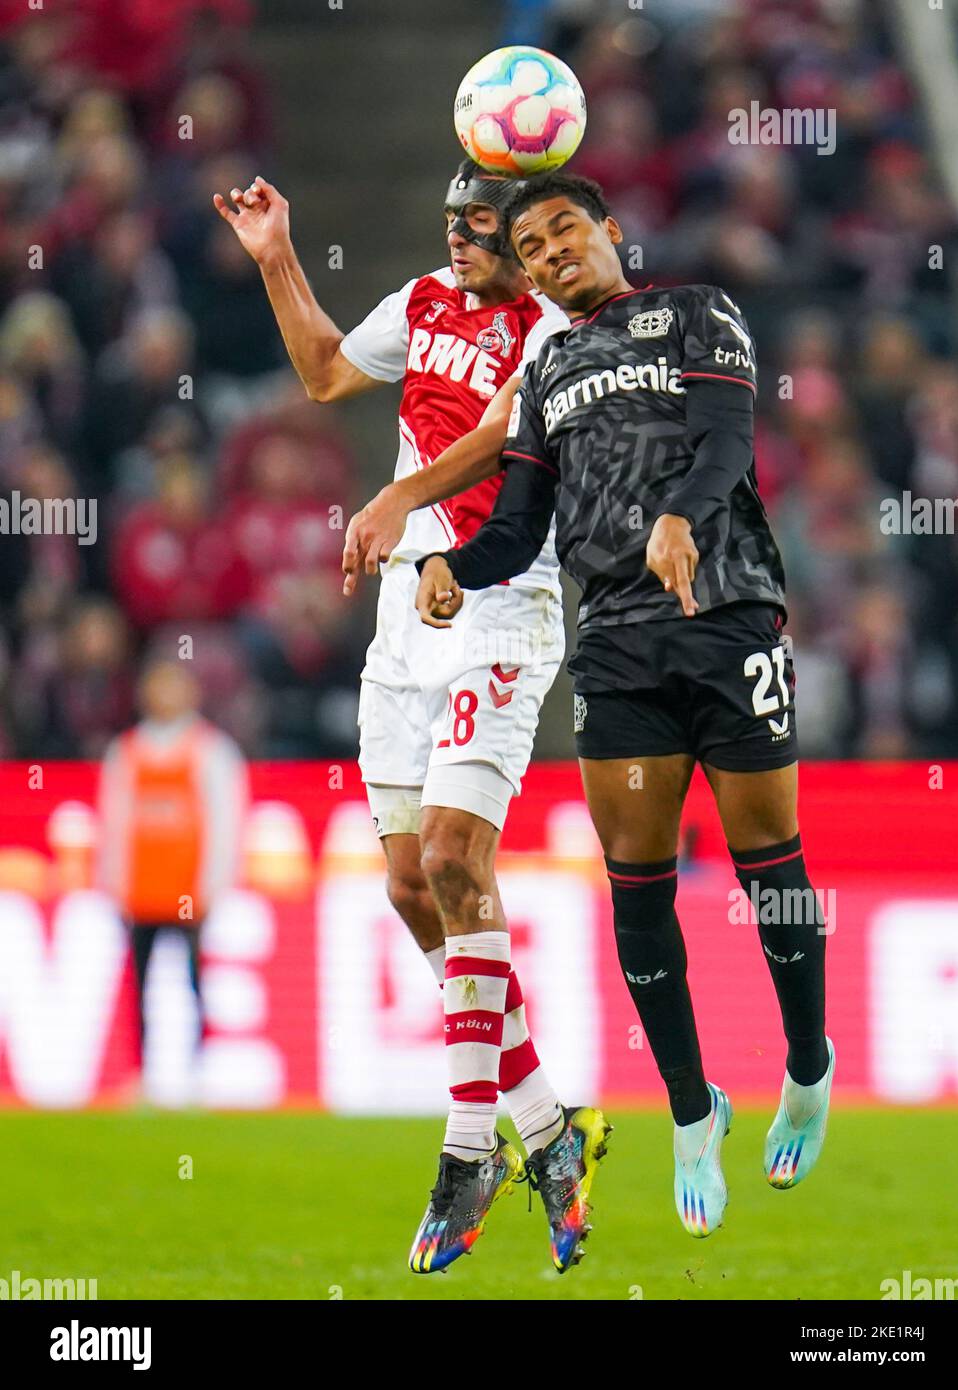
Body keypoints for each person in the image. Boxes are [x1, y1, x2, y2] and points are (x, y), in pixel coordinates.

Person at [412, 171, 834, 1239]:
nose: (552, 252)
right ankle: (693, 1113)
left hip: (726, 611)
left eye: (566, 231)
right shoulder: (548, 366)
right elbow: (520, 524)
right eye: (534, 246)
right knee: (639, 890)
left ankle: (809, 1062)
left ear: (609, 231)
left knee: (766, 858)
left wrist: (682, 517)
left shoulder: (697, 310)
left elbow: (727, 444)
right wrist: (457, 562)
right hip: (616, 648)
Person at [214, 162, 610, 1274]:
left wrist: (399, 498)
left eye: (481, 225)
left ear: (519, 233)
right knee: (404, 881)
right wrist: (278, 258)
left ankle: (468, 1146)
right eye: (453, 223)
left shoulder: (549, 326)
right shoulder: (425, 300)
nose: (461, 240)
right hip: (405, 620)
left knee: (451, 857)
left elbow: (497, 435)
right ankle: (549, 1132)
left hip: (498, 601)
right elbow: (331, 371)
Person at [98, 658, 248, 1079]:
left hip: (190, 892)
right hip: (141, 893)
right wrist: (113, 884)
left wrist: (214, 884)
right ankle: (142, 1071)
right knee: (139, 985)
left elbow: (225, 822)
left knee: (194, 980)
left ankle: (199, 1069)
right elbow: (113, 824)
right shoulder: (125, 752)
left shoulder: (211, 750)